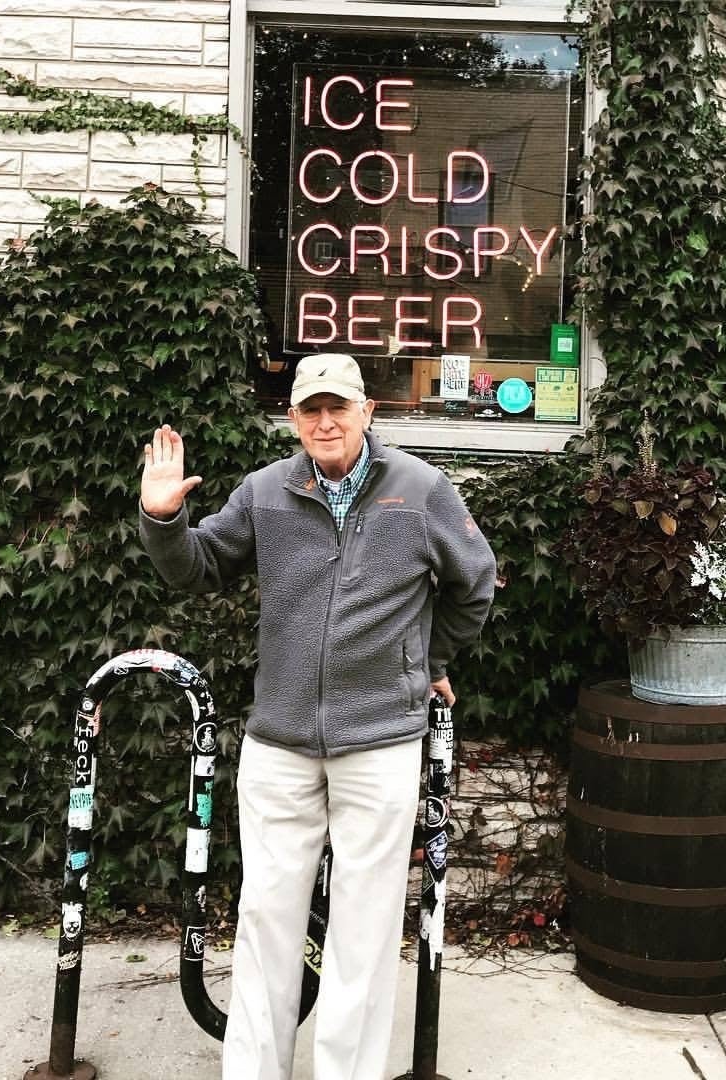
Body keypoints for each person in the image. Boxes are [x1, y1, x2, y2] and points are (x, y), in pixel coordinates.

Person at [138, 353, 497, 1080]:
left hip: (380, 742)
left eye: (340, 407)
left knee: (362, 935)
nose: (326, 422)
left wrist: (424, 662)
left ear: (369, 412)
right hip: (280, 741)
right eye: (311, 410)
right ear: (294, 418)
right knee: (266, 921)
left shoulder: (420, 491)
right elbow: (198, 567)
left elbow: (475, 582)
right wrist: (164, 516)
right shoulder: (266, 492)